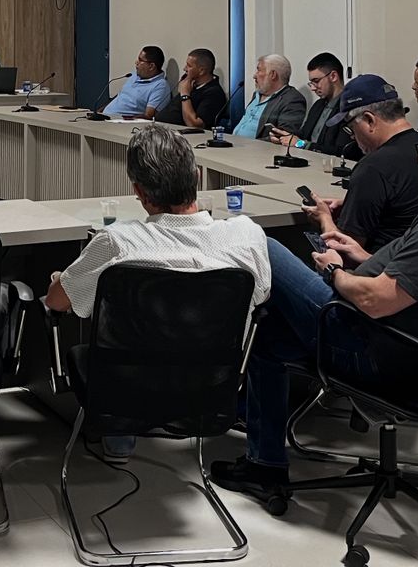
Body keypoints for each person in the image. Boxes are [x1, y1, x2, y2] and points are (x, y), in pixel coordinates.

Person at [210, 100, 418, 501]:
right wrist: (361, 257)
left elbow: (376, 301)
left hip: (380, 352)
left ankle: (220, 402)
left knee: (261, 244)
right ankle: (264, 463)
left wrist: (334, 271)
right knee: (272, 330)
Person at [47, 125, 271, 463]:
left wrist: (59, 278)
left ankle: (120, 437)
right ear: (197, 176)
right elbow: (261, 296)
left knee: (115, 341)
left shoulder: (118, 242)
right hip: (211, 383)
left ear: (139, 191)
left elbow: (57, 301)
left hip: (126, 387)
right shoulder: (247, 236)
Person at [304, 74, 418, 252]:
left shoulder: (373, 168)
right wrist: (351, 205)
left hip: (374, 265)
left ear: (369, 120)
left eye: (351, 128)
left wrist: (324, 218)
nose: (352, 137)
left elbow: (346, 252)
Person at [268, 52, 350, 153]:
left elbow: (344, 151)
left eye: (316, 81)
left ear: (333, 76)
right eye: (311, 83)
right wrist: (284, 137)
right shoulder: (318, 105)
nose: (313, 88)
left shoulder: (349, 107)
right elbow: (303, 135)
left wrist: (301, 144)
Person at [232, 54, 307, 140]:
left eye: (259, 70)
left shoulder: (292, 100)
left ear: (273, 75)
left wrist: (250, 144)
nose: (254, 76)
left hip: (255, 147)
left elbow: (282, 137)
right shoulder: (257, 94)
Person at [154, 47, 229, 129]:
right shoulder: (190, 84)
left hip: (178, 134)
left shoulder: (214, 93)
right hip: (159, 127)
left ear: (201, 71)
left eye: (189, 66)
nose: (184, 69)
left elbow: (195, 125)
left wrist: (185, 95)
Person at [103, 45, 171, 118]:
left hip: (121, 122)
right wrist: (99, 112)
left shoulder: (160, 86)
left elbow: (148, 116)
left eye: (140, 60)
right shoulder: (134, 75)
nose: (136, 62)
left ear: (151, 66)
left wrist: (125, 120)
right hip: (105, 117)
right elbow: (120, 97)